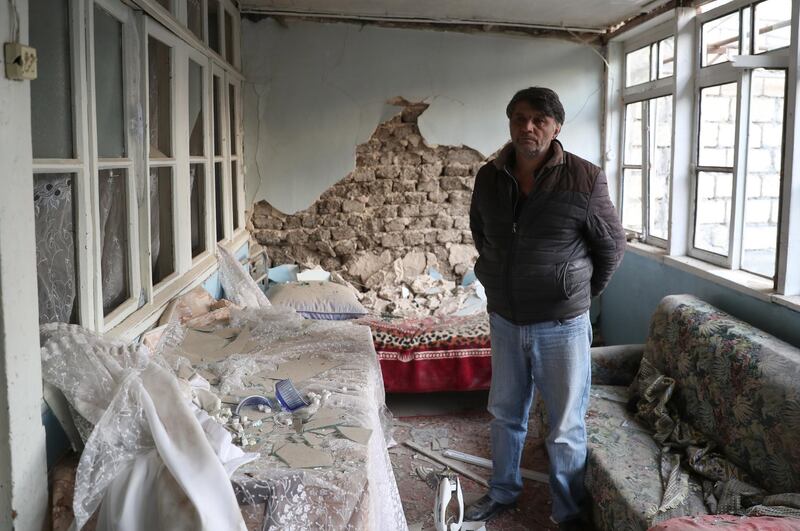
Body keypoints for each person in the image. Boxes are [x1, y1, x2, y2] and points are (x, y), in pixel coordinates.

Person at [465, 87, 626, 530]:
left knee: (565, 427)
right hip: (505, 319)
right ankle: (502, 492)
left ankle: (568, 513)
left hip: (563, 325)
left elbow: (611, 248)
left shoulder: (585, 179)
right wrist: (495, 277)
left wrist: (576, 294)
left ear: (556, 127)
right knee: (504, 413)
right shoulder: (489, 176)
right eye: (518, 117)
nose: (527, 126)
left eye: (538, 119)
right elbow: (483, 234)